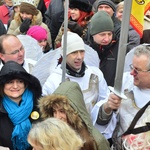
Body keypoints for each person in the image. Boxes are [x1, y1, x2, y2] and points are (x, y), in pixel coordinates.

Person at [94, 44, 150, 149]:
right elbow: (102, 121)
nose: (132, 73)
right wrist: (107, 107)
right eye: (132, 67)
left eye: (137, 70)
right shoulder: (124, 81)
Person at [42, 31, 110, 114]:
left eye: (81, 51)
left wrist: (107, 107)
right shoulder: (53, 81)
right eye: (74, 52)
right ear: (64, 54)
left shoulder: (95, 74)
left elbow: (104, 100)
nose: (79, 57)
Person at [39, 81, 110, 150]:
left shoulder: (97, 141)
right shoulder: (49, 137)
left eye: (62, 111)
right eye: (54, 111)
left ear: (74, 112)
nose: (57, 117)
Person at [0, 61, 42, 150]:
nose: (15, 86)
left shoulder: (41, 105)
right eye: (10, 82)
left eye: (20, 81)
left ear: (25, 84)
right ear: (2, 85)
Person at [89, 10, 119, 86]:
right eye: (102, 35)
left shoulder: (120, 49)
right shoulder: (86, 49)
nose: (107, 39)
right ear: (93, 34)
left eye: (109, 34)